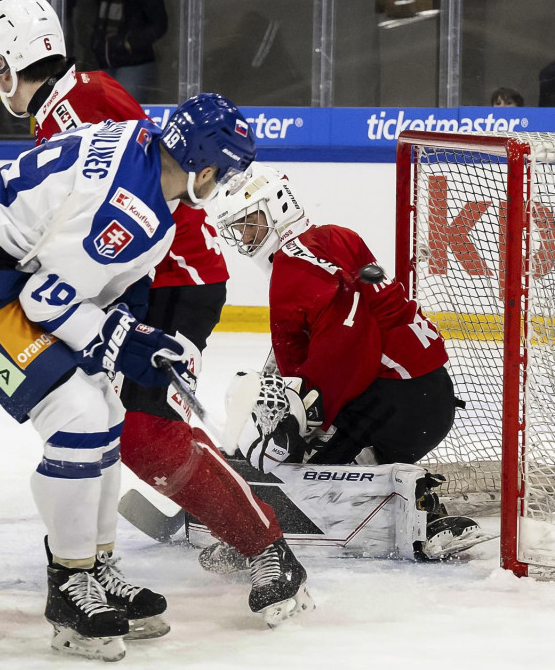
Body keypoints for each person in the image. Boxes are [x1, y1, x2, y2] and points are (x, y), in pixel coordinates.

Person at [0, 96, 313, 661]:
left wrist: (131, 335)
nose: (222, 185)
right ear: (205, 169)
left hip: (7, 267)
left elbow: (108, 282)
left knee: (106, 408)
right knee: (76, 416)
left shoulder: (143, 154)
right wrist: (124, 342)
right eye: (223, 174)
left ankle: (97, 568)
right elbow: (44, 298)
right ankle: (70, 585)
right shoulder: (138, 212)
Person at [0, 0, 309, 624]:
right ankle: (101, 557)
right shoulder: (71, 101)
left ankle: (268, 548)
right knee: (102, 419)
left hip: (168, 283)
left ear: (9, 62)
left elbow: (133, 208)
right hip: (146, 280)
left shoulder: (86, 104)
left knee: (143, 434)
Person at [210, 161, 493, 560]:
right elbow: (344, 325)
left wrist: (307, 412)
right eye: (238, 227)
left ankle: (266, 533)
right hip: (427, 392)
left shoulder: (293, 271)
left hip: (397, 401)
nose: (244, 235)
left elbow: (350, 345)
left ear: (278, 208)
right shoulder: (334, 236)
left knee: (316, 468)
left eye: (250, 222)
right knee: (329, 444)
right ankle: (421, 506)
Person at [90, 0, 167, 102]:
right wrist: (96, 43)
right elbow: (99, 21)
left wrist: (130, 43)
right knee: (105, 113)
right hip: (105, 61)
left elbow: (160, 24)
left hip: (133, 63)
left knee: (126, 111)